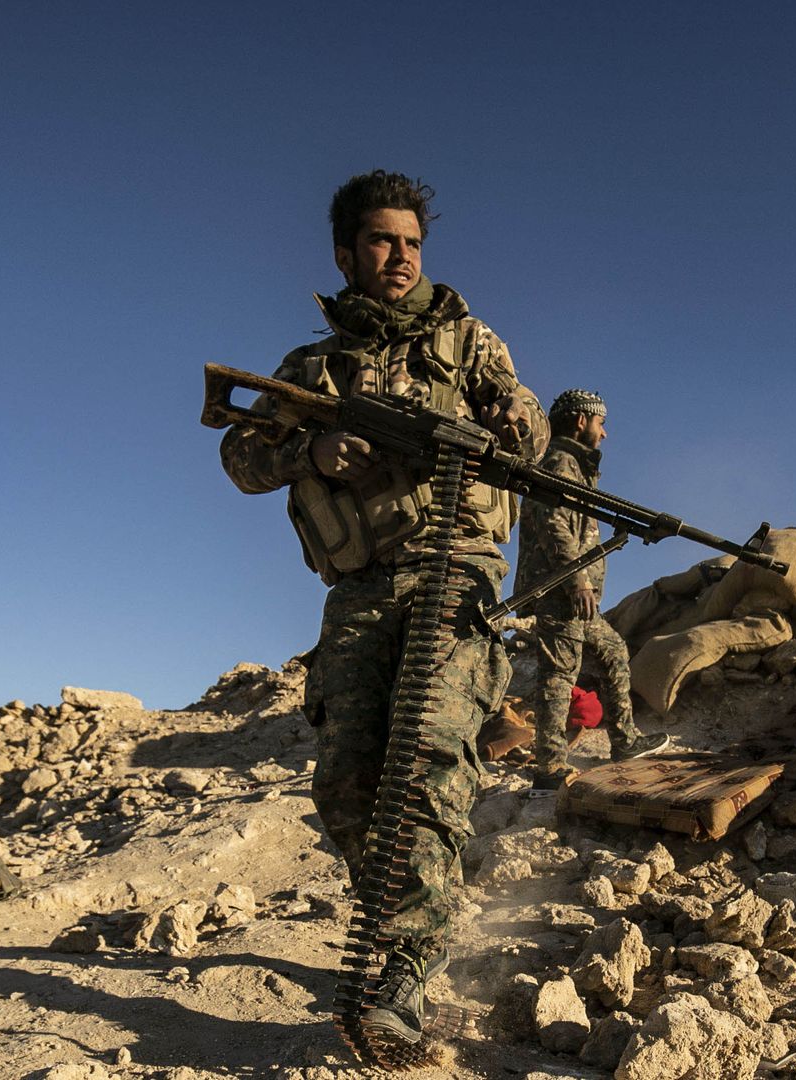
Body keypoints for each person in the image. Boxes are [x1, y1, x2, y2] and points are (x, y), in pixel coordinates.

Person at [217, 170, 547, 1046]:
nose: (399, 257)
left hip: (457, 574)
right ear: (345, 253)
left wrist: (517, 422)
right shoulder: (309, 368)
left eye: (411, 242)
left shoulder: (472, 343)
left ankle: (404, 970)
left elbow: (530, 424)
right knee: (347, 782)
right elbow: (242, 460)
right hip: (360, 590)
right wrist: (314, 451)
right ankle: (416, 902)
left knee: (430, 759)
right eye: (379, 241)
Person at [515, 389, 670, 789]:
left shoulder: (575, 466)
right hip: (558, 592)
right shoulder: (560, 463)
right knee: (558, 674)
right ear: (581, 421)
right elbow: (555, 525)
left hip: (573, 597)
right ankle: (549, 769)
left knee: (614, 651)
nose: (604, 434)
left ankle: (625, 741)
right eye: (601, 423)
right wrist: (578, 580)